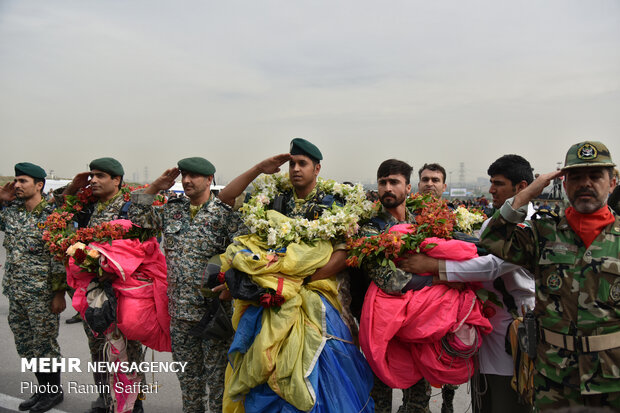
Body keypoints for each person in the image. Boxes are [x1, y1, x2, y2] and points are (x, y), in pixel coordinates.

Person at [219, 138, 374, 412]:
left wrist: (299, 281)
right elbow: (226, 198)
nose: (295, 169)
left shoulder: (333, 204)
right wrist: (259, 168)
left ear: (317, 168)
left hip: (316, 296)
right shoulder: (273, 199)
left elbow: (342, 253)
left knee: (323, 371)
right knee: (264, 361)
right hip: (273, 294)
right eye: (292, 164)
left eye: (302, 163)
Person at [129, 154, 288, 413]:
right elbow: (137, 216)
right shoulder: (172, 210)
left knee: (217, 385)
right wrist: (157, 186)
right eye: (185, 176)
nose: (188, 181)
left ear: (209, 179)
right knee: (189, 382)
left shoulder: (223, 214)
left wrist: (230, 286)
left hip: (213, 315)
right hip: (180, 315)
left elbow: (246, 253)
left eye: (194, 176)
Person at [479, 141, 620, 410]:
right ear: (564, 185)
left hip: (613, 380)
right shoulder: (542, 233)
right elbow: (492, 238)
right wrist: (528, 192)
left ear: (612, 183)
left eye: (595, 176)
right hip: (555, 378)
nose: (585, 183)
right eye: (576, 177)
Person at [400, 154, 537, 413]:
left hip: (516, 332)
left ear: (520, 188)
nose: (491, 190)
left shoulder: (533, 225)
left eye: (498, 183)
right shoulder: (492, 223)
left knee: (510, 400)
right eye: (491, 182)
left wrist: (435, 268)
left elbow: (492, 266)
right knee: (485, 400)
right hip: (485, 332)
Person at [58, 157, 145, 413]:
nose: (93, 180)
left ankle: (133, 404)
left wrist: (113, 267)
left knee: (128, 350)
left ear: (117, 180)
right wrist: (73, 188)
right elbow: (58, 215)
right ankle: (105, 398)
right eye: (91, 175)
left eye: (100, 176)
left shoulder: (130, 207)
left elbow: (143, 248)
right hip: (91, 292)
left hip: (122, 291)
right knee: (97, 347)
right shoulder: (87, 207)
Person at [0, 163, 67, 412]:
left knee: (45, 347)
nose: (17, 185)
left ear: (39, 185)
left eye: (23, 181)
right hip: (16, 292)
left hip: (42, 295)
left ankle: (52, 393)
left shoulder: (53, 216)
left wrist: (59, 293)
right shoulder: (13, 212)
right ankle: (42, 390)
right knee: (26, 346)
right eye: (16, 181)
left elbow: (60, 259)